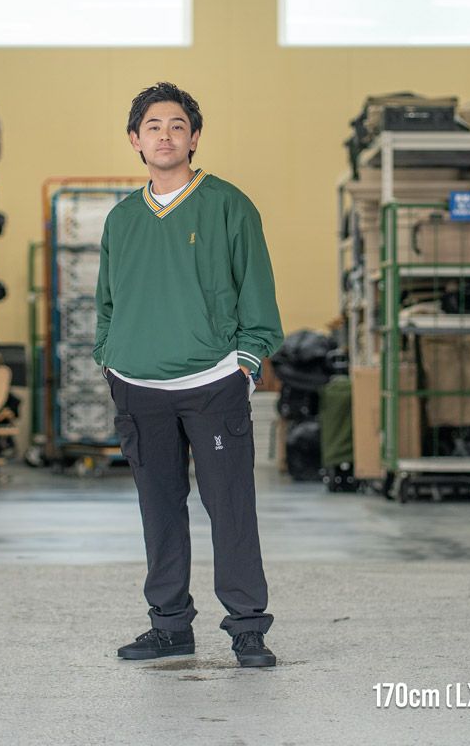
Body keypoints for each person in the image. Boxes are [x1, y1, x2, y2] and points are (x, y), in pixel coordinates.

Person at [94, 82, 284, 668]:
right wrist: (110, 356)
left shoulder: (229, 205)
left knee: (230, 508)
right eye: (153, 127)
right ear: (135, 139)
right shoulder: (122, 219)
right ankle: (170, 625)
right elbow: (106, 303)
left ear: (194, 138)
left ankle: (247, 628)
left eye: (177, 126)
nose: (165, 136)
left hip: (212, 384)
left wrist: (246, 363)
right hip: (138, 387)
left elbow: (258, 295)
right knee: (159, 511)